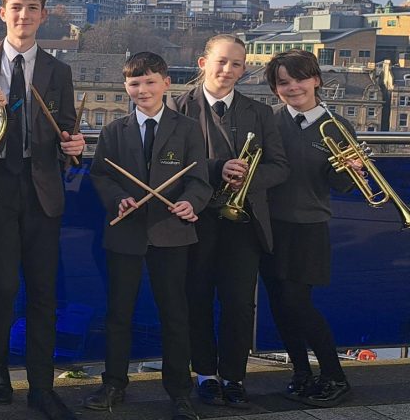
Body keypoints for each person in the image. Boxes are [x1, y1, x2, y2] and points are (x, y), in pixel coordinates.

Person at [0, 0, 85, 420]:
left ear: (43, 16)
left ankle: (41, 387)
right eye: (17, 8)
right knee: (1, 287)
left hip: (41, 189)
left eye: (33, 9)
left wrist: (74, 143)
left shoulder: (58, 70)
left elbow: (67, 127)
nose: (24, 15)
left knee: (43, 293)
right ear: (3, 12)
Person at [85, 52, 211, 420]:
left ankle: (180, 392)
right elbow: (100, 175)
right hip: (125, 234)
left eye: (150, 82)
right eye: (135, 83)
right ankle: (114, 384)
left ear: (166, 83)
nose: (142, 89)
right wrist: (118, 199)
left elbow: (199, 180)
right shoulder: (114, 130)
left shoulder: (188, 129)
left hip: (172, 234)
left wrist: (190, 203)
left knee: (175, 315)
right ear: (126, 86)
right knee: (118, 314)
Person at [169, 35, 287, 408]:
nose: (228, 69)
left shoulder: (260, 112)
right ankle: (205, 375)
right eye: (222, 61)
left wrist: (249, 177)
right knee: (197, 298)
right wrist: (218, 168)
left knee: (239, 304)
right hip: (195, 219)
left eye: (237, 63)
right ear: (203, 63)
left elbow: (280, 167)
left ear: (244, 69)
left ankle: (234, 377)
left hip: (243, 221)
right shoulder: (177, 107)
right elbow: (168, 164)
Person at [260, 49, 356, 408]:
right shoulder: (268, 121)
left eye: (300, 78)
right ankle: (301, 373)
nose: (293, 87)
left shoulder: (338, 127)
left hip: (308, 226)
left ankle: (335, 375)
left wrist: (352, 170)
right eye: (283, 82)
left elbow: (340, 185)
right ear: (275, 89)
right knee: (279, 305)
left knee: (297, 303)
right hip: (269, 225)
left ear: (316, 79)